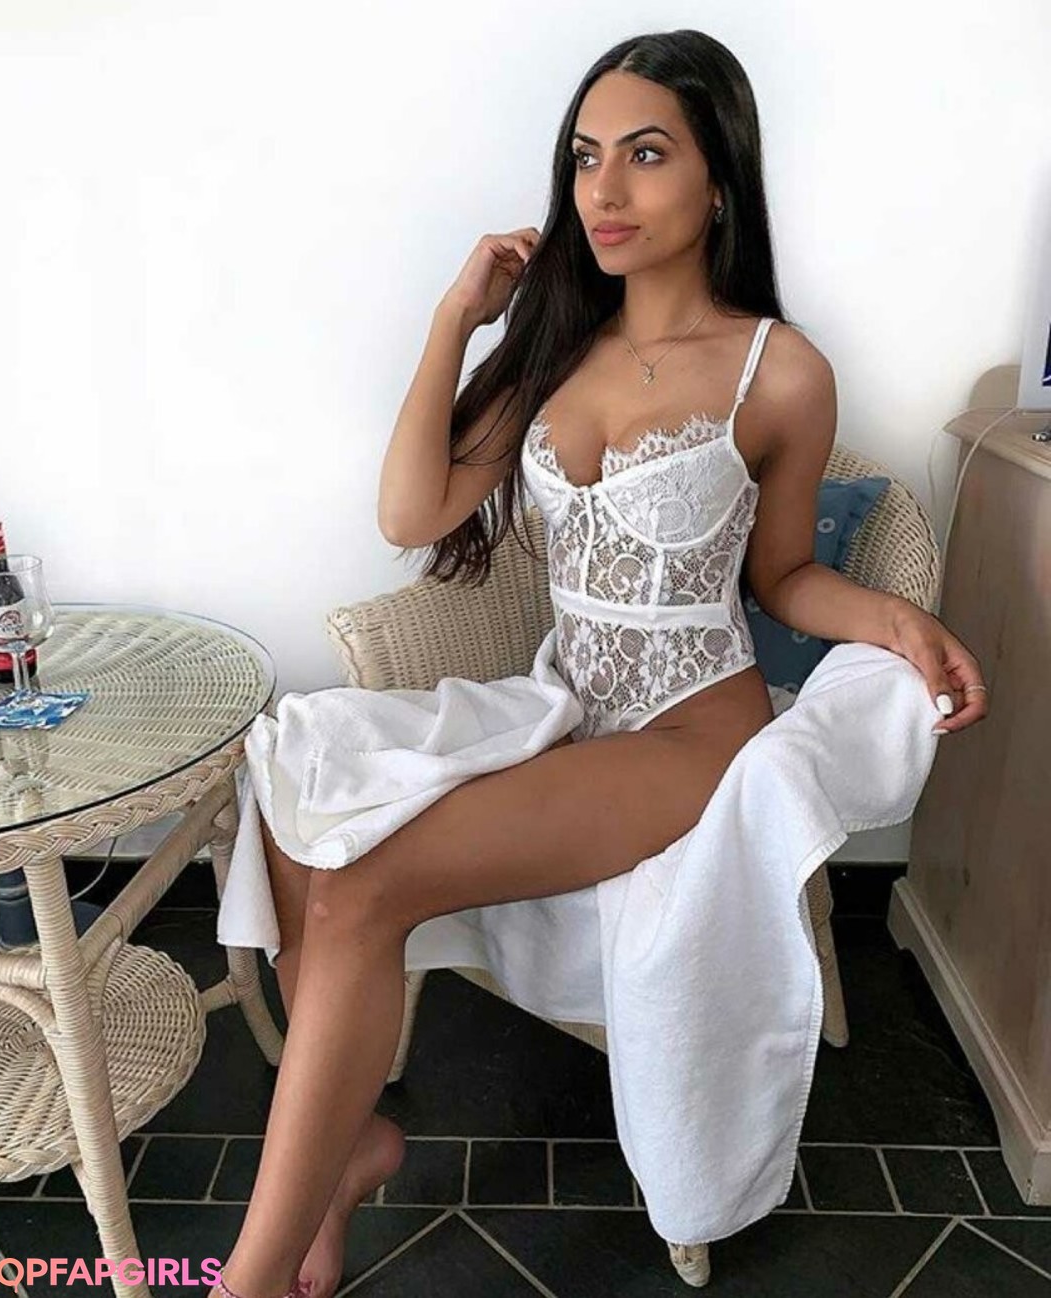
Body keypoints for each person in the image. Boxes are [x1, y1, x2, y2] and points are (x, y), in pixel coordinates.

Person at [209, 28, 989, 1298]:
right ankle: (347, 1152)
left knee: (359, 889)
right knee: (308, 798)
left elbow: (783, 573)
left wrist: (900, 621)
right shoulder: (558, 342)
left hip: (691, 736)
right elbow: (413, 510)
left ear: (719, 179)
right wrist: (456, 320)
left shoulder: (779, 372)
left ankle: (246, 1274)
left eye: (646, 154)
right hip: (565, 709)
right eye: (585, 158)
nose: (605, 191)